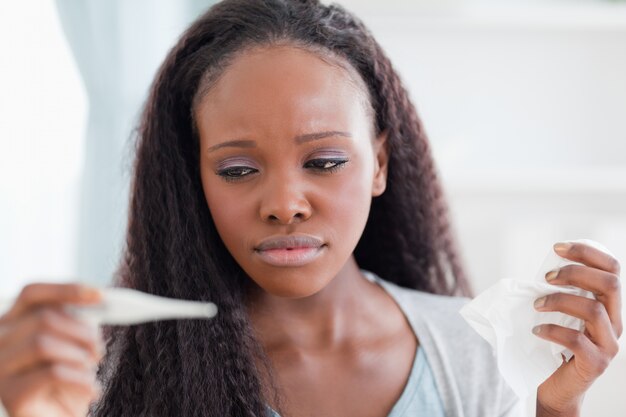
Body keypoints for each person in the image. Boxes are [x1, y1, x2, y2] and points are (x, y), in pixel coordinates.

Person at [0, 1, 621, 416]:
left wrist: (554, 410)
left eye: (324, 163)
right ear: (194, 180)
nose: (284, 205)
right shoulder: (109, 374)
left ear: (379, 164)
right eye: (238, 170)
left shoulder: (475, 352)